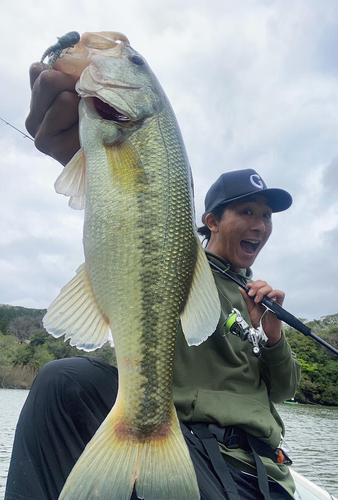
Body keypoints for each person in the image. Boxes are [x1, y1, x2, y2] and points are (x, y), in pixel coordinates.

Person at [5, 64, 301, 500]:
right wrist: (91, 158)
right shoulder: (174, 264)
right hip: (180, 440)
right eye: (247, 212)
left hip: (249, 470)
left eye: (266, 216)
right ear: (211, 221)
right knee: (60, 382)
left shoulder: (261, 300)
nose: (259, 224)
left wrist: (274, 337)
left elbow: (285, 389)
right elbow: (136, 223)